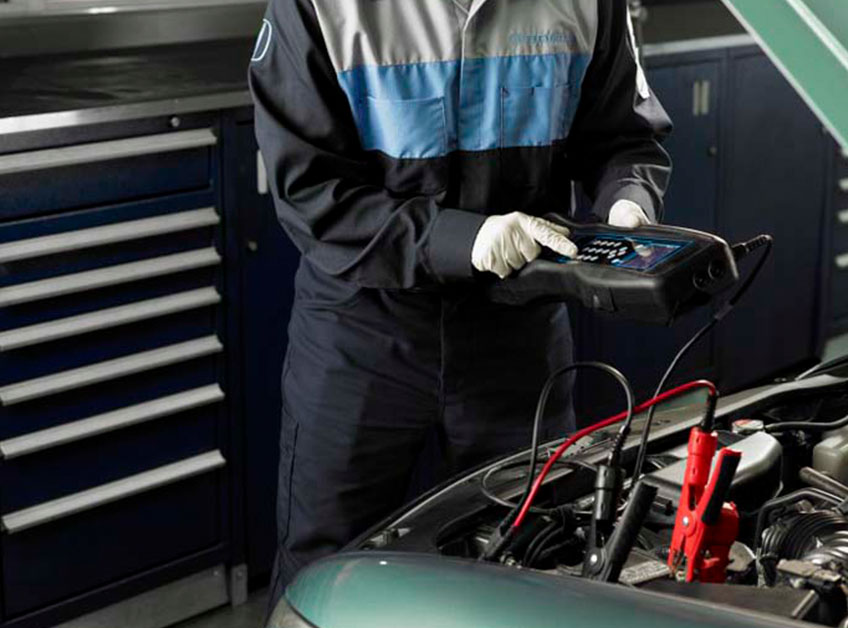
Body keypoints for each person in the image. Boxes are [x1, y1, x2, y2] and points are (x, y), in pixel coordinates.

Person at [248, 0, 671, 605]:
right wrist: (459, 239)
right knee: (324, 572)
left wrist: (629, 200)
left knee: (532, 557)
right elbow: (311, 190)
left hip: (519, 333)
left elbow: (624, 138)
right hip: (362, 330)